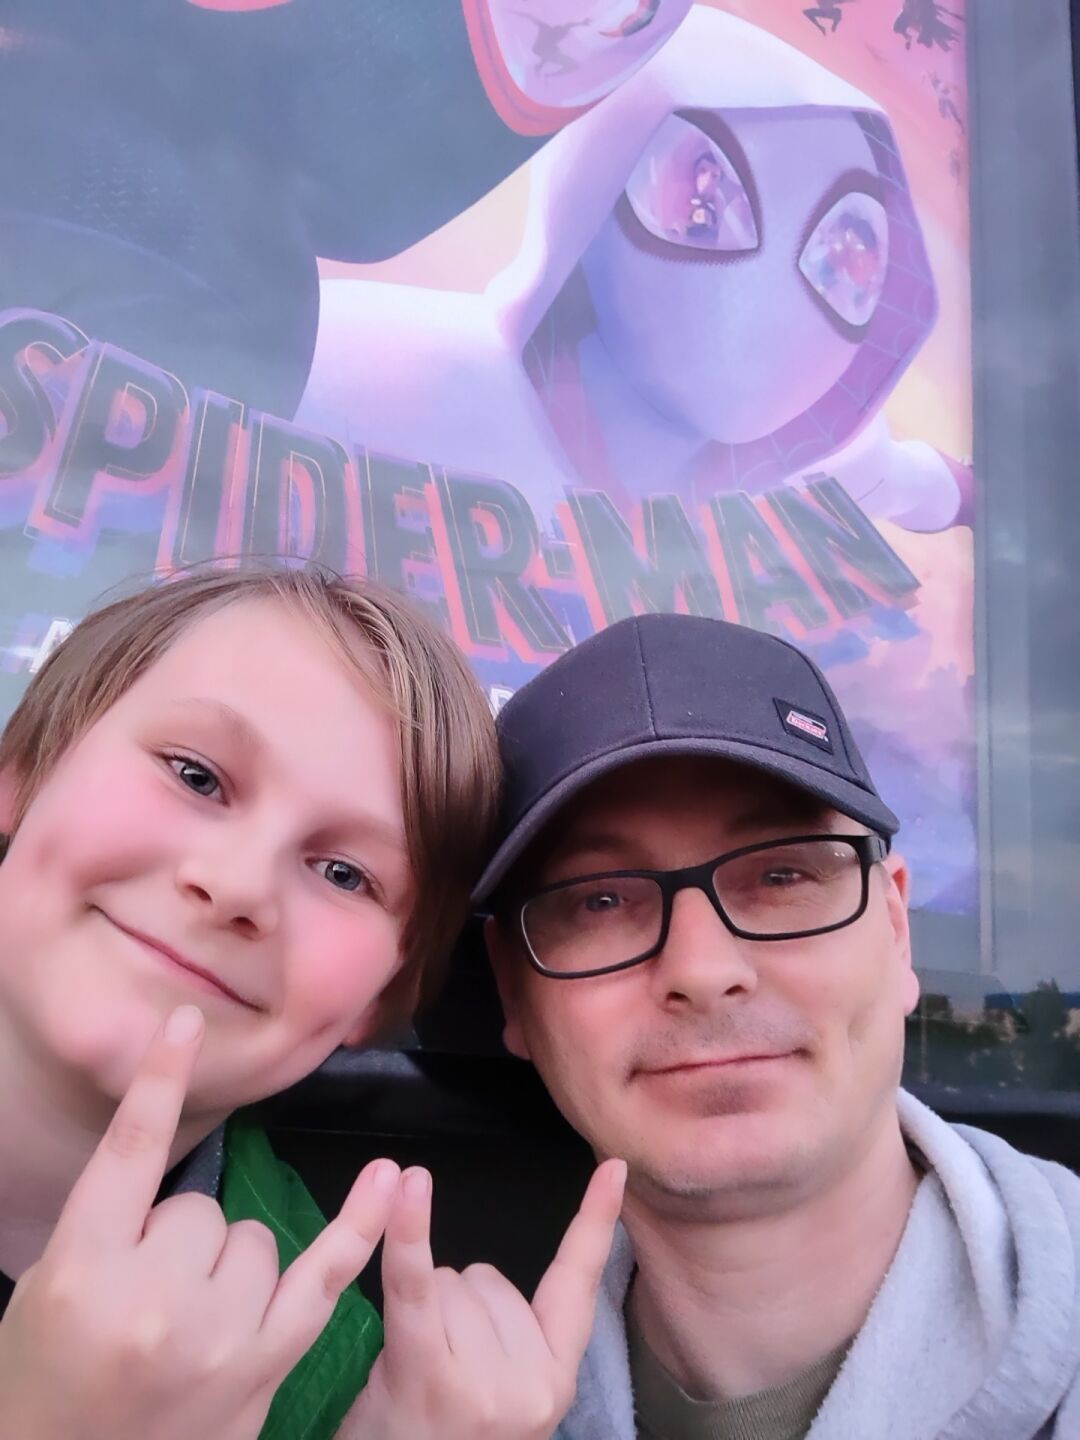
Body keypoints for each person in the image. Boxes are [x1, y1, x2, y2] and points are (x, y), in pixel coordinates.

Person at [0, 565, 624, 1440]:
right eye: (195, 776)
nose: (237, 885)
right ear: (23, 771)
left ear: (385, 995)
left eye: (343, 874)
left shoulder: (349, 1375)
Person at [479, 612, 1080, 1439]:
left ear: (896, 929)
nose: (702, 970)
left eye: (783, 875)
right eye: (601, 900)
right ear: (512, 991)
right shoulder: (436, 1411)